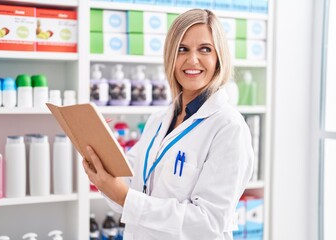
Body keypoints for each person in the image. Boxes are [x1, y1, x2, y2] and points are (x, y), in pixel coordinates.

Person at [83, 8, 254, 240]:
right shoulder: (158, 121)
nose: (192, 60)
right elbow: (130, 185)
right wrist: (101, 164)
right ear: (170, 56)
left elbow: (209, 222)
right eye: (182, 49)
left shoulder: (228, 128)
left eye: (205, 49)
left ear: (218, 58)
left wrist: (127, 199)